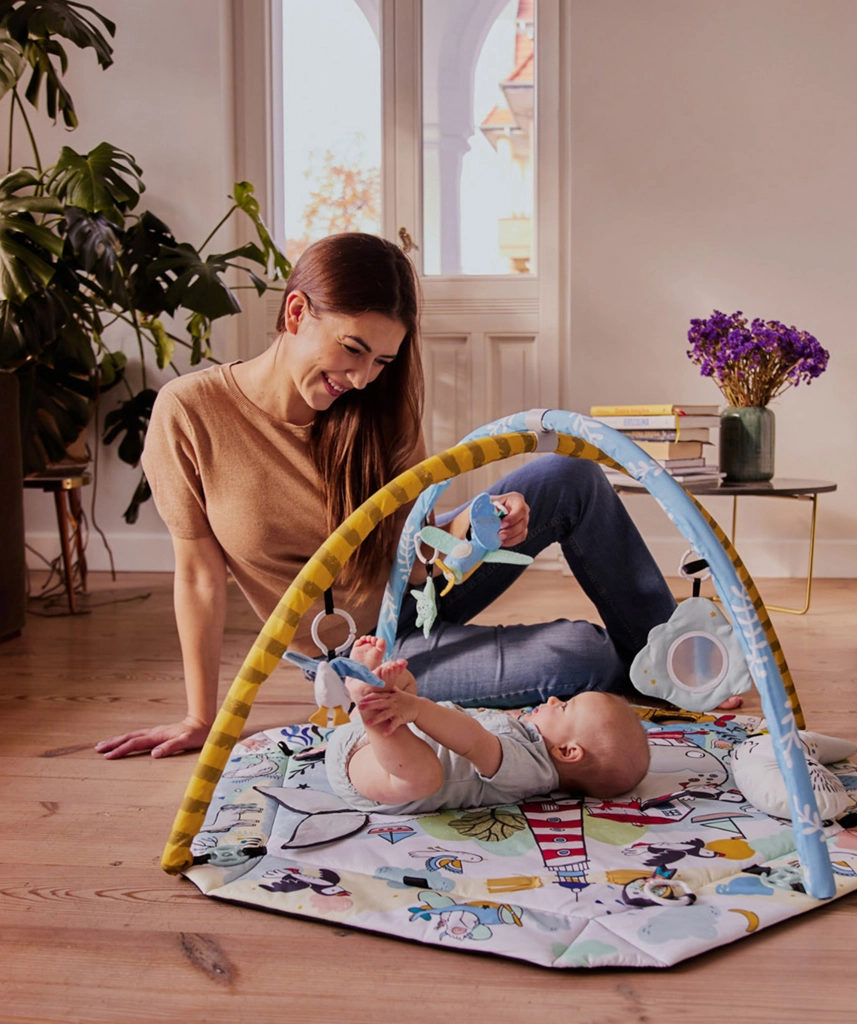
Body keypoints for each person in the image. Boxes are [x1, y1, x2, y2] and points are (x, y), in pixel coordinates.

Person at [95, 232, 730, 762]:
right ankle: (635, 661)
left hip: (417, 589)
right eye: (352, 349)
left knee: (572, 476)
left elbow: (414, 543)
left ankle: (678, 663)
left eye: (381, 361)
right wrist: (200, 717)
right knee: (583, 653)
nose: (361, 378)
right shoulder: (189, 413)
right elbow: (199, 577)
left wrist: (481, 525)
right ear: (295, 313)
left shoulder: (376, 407)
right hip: (364, 650)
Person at [326, 636, 651, 811]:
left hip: (374, 775)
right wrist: (407, 699)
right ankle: (373, 689)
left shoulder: (531, 771)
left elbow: (474, 741)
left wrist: (417, 709)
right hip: (387, 741)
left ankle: (373, 707)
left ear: (568, 752)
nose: (553, 699)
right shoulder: (530, 735)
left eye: (565, 707)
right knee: (407, 685)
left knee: (425, 777)